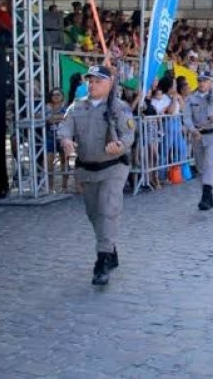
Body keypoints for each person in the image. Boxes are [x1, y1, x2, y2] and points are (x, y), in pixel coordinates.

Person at [57, 65, 135, 286]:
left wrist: (120, 144)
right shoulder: (76, 107)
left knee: (107, 208)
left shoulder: (119, 108)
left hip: (113, 167)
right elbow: (65, 127)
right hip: (87, 168)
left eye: (98, 81)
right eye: (90, 81)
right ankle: (109, 247)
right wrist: (66, 140)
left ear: (110, 84)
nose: (92, 85)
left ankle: (101, 262)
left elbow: (129, 133)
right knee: (94, 214)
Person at [184, 72, 213, 211]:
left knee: (210, 164)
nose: (201, 83)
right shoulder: (191, 98)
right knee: (201, 167)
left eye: (204, 81)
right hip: (197, 135)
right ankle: (208, 196)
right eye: (199, 80)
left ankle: (205, 195)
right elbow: (186, 117)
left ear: (210, 82)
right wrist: (192, 130)